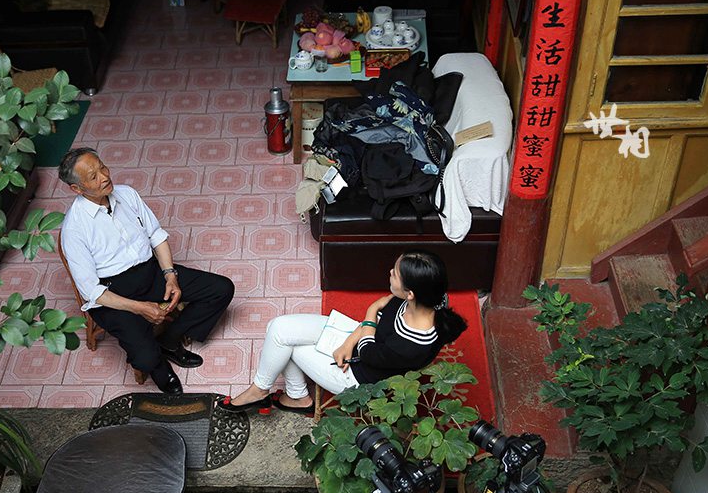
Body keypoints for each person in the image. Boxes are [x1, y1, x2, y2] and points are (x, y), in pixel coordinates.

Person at [58, 147, 235, 395]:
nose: (104, 177)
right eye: (93, 176)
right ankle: (160, 367)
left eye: (102, 167)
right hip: (113, 294)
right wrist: (140, 308)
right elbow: (91, 291)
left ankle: (170, 340)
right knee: (145, 358)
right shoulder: (74, 229)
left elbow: (155, 235)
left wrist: (170, 276)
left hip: (150, 273)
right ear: (77, 189)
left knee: (221, 289)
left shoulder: (126, 195)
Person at [220, 250, 467, 414]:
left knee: (287, 346)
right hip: (360, 339)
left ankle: (281, 394)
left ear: (411, 294)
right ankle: (283, 393)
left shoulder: (411, 343)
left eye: (395, 273)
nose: (390, 273)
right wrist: (352, 338)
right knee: (279, 328)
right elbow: (380, 307)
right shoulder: (432, 298)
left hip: (357, 376)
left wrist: (365, 325)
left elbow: (370, 346)